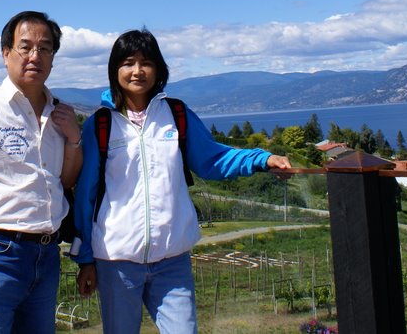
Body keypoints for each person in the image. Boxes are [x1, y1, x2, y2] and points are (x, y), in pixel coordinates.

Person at [72, 29, 291, 334]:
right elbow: (86, 194)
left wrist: (261, 159)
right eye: (128, 62)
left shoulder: (176, 114)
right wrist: (85, 258)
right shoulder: (101, 124)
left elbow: (213, 160)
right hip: (115, 261)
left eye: (146, 62)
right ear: (115, 70)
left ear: (158, 69)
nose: (137, 71)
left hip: (172, 260)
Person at [0, 10, 83, 334]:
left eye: (45, 48)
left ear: (53, 57)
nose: (35, 56)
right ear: (6, 52)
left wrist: (75, 139)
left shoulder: (61, 115)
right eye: (26, 47)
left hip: (48, 254)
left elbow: (67, 180)